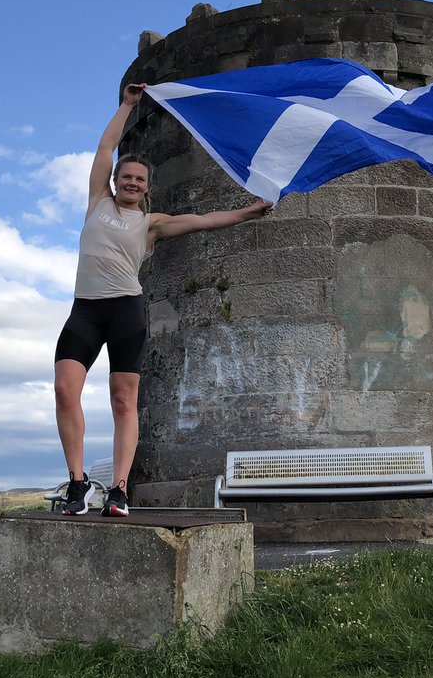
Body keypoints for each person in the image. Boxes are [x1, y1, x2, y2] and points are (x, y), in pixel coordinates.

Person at [53, 82, 272, 516]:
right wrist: (128, 106)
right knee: (64, 390)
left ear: (147, 187)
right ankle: (78, 484)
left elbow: (204, 221)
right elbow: (104, 147)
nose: (131, 182)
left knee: (123, 399)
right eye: (126, 176)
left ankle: (118, 489)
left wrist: (246, 212)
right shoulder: (98, 203)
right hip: (86, 309)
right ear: (115, 181)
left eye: (139, 179)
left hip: (125, 311)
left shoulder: (151, 224)